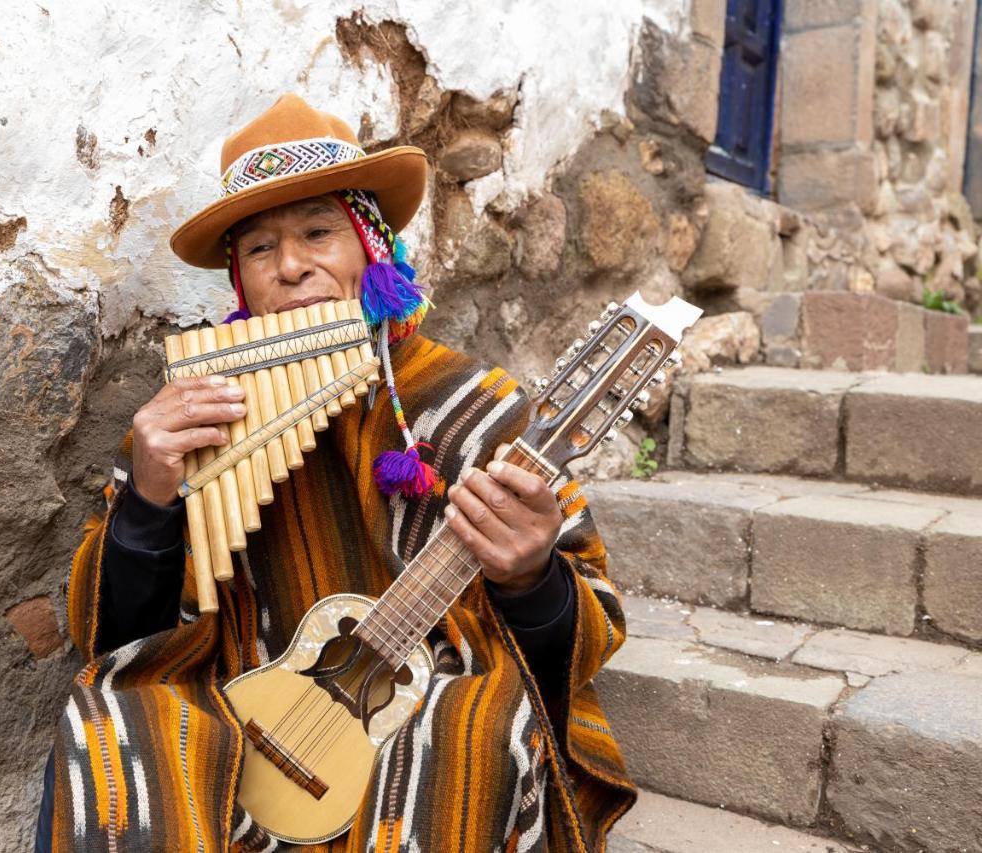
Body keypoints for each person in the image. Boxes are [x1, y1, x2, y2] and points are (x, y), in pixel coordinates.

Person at [38, 94, 634, 852]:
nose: (291, 266)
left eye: (319, 231)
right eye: (259, 249)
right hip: (249, 708)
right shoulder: (190, 417)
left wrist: (532, 576)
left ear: (372, 246)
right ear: (240, 283)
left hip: (427, 699)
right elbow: (116, 640)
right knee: (112, 721)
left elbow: (588, 625)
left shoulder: (474, 408)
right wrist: (150, 504)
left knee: (465, 744)